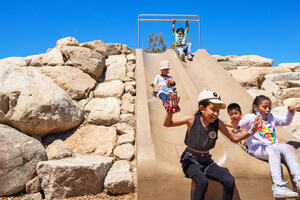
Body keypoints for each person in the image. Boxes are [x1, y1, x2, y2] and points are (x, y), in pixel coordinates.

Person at [164, 89, 259, 200]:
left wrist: (250, 132)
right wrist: (170, 111)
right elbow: (168, 124)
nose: (216, 114)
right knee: (202, 182)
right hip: (190, 160)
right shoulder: (191, 120)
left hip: (206, 161)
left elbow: (233, 138)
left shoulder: (217, 123)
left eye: (218, 111)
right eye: (213, 110)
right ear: (202, 108)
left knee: (229, 180)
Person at [239, 95, 300, 198]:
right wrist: (252, 121)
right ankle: (278, 186)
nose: (267, 110)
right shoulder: (251, 117)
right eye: (264, 107)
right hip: (256, 148)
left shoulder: (271, 117)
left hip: (272, 147)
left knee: (287, 147)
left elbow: (285, 121)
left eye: (269, 107)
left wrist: (290, 113)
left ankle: (298, 180)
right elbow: (240, 125)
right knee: (273, 149)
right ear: (255, 107)